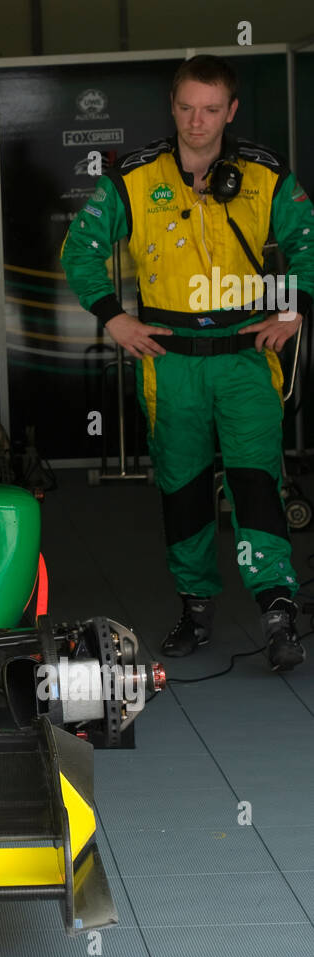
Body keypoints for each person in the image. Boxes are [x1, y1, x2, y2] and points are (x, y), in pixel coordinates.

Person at [60, 54, 314, 671]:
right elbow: (80, 251)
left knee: (257, 483)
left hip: (247, 359)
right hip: (170, 362)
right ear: (172, 107)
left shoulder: (264, 177)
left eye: (210, 109)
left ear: (231, 111)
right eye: (185, 108)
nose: (197, 122)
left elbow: (308, 240)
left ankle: (278, 610)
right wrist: (114, 318)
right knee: (184, 489)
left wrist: (294, 309)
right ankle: (196, 608)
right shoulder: (135, 179)